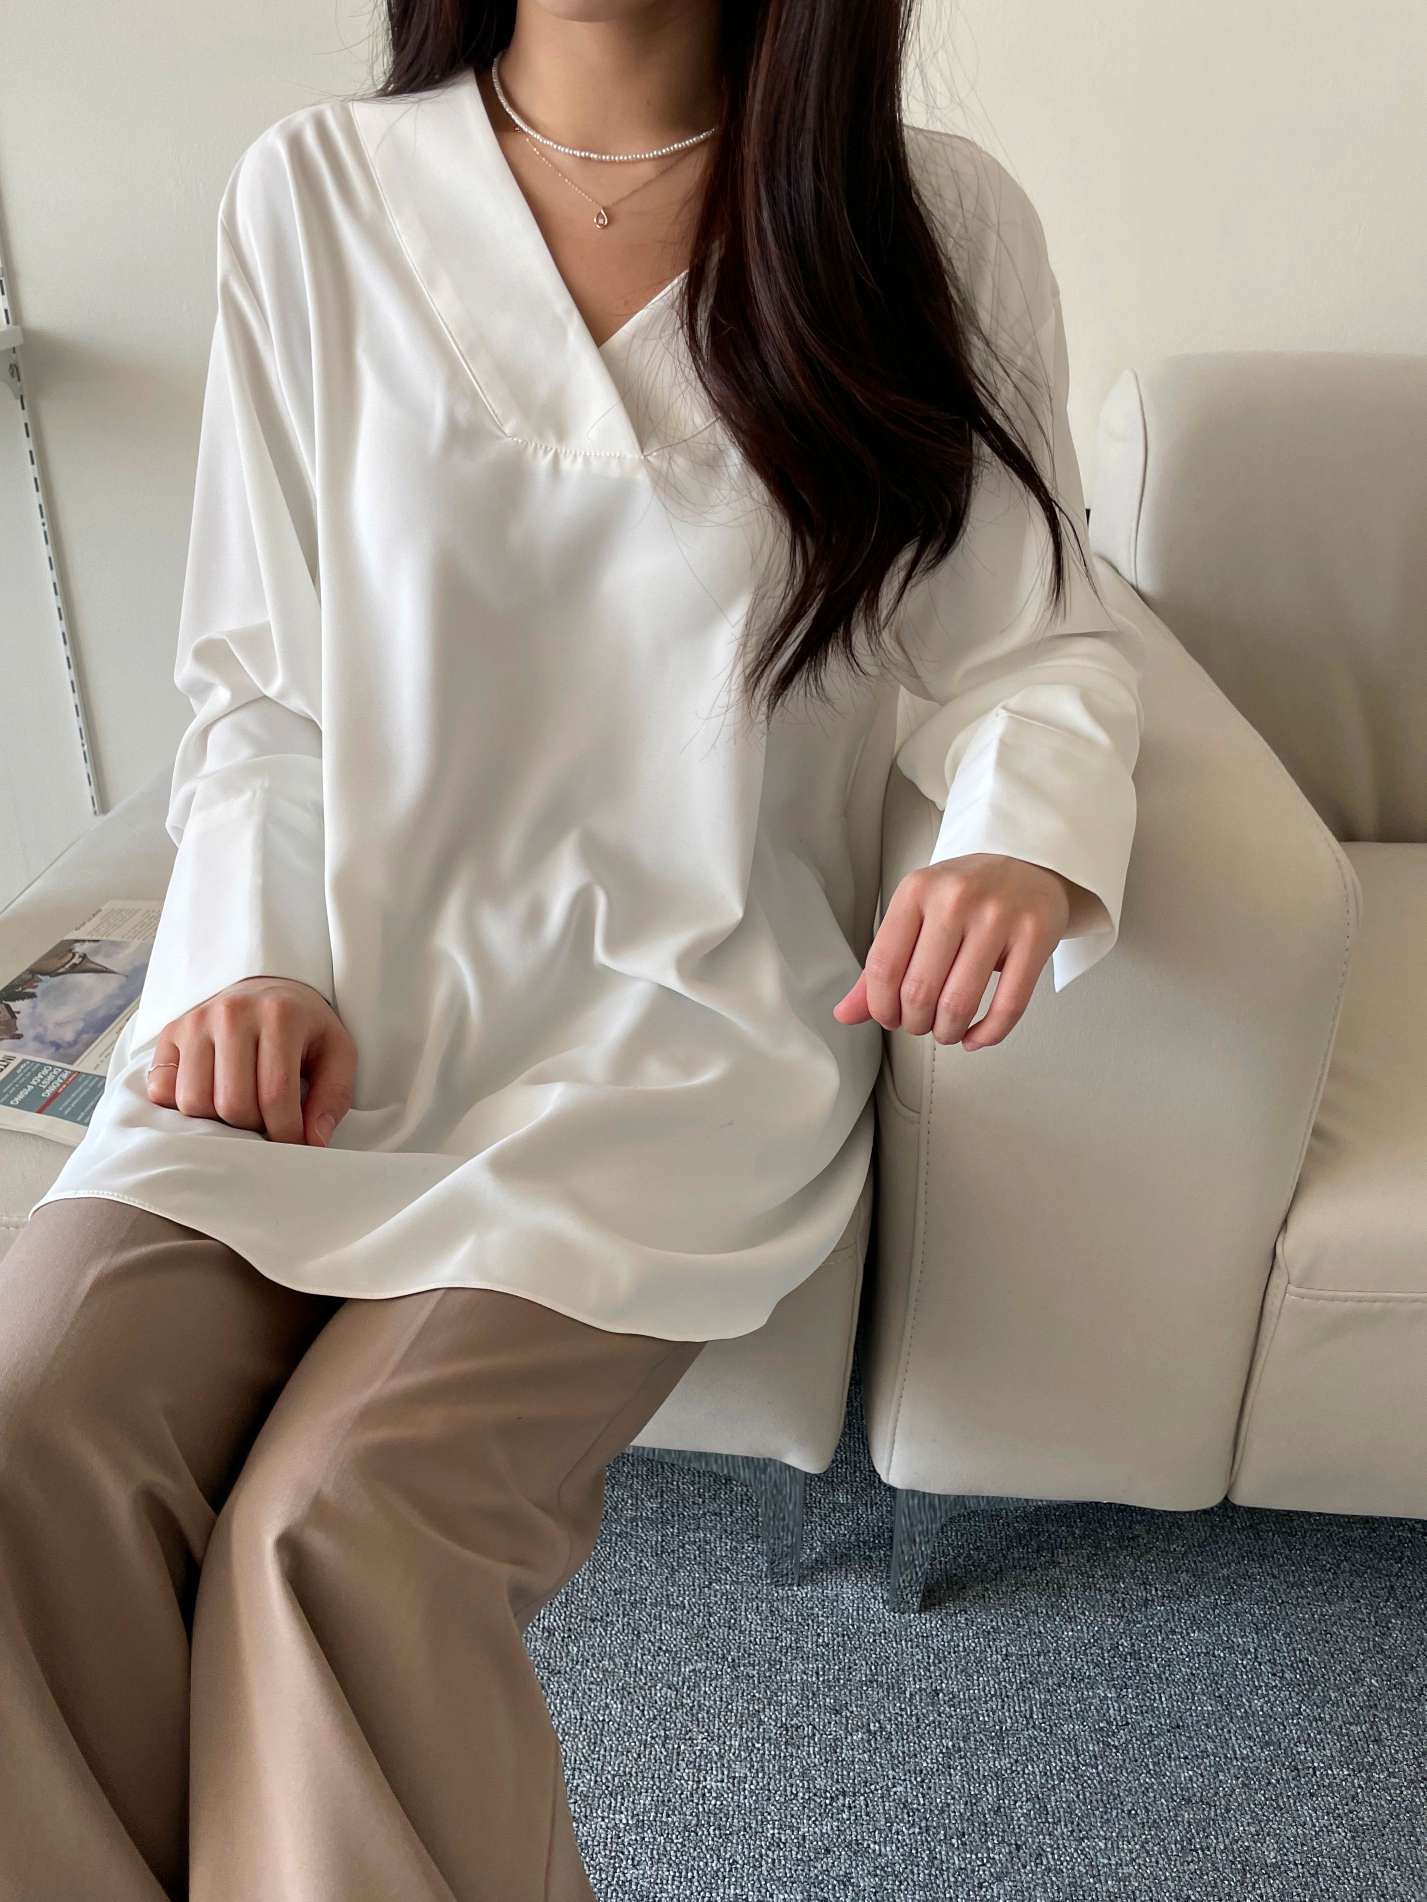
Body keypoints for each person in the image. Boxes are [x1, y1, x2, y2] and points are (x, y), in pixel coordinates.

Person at [0, 2, 1147, 1897]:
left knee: (341, 1527)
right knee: (30, 1423)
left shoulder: (920, 219)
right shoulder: (317, 192)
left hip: (673, 1031)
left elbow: (1037, 646)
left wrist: (1017, 842)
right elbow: (264, 693)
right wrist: (248, 961)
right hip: (326, 1014)